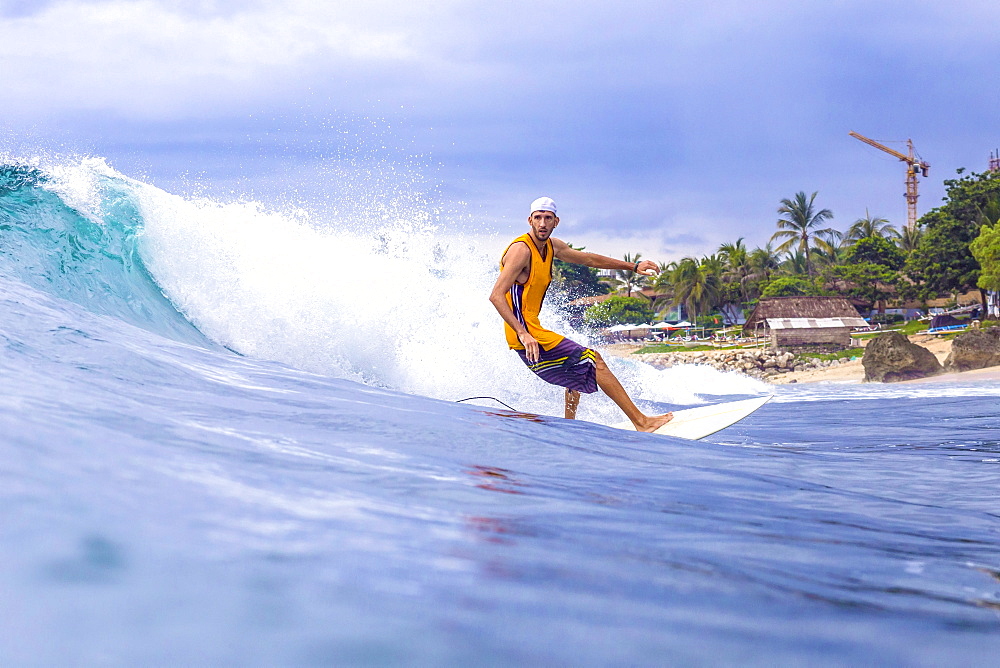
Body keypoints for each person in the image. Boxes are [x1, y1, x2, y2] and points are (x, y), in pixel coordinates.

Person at [488, 196, 673, 433]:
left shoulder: (553, 247)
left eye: (547, 218)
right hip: (525, 335)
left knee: (576, 366)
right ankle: (642, 422)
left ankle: (569, 425)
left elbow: (588, 259)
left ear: (556, 221)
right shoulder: (521, 251)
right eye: (538, 218)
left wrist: (633, 267)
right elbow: (495, 295)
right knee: (593, 360)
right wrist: (523, 333)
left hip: (533, 329)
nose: (542, 223)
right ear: (529, 220)